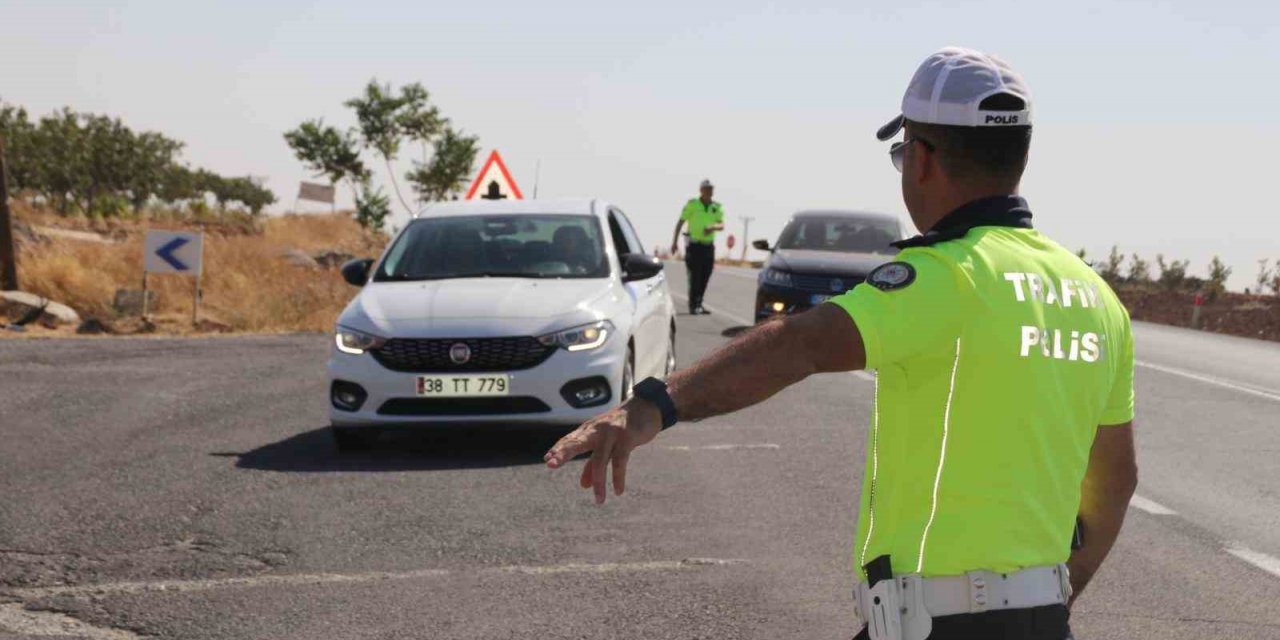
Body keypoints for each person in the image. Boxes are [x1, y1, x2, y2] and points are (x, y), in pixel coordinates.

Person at [546, 47, 1137, 640]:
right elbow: (1115, 483)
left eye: (903, 152)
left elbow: (797, 345)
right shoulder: (1097, 299)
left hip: (935, 622)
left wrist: (649, 406)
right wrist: (1048, 600)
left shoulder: (945, 275)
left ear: (923, 160)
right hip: (1042, 619)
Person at [671, 179, 725, 314]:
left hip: (708, 246)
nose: (709, 191)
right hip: (694, 246)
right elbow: (680, 222)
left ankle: (699, 303)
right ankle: (694, 305)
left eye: (711, 188)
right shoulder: (692, 204)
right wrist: (674, 242)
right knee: (695, 275)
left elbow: (721, 224)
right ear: (701, 190)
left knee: (706, 274)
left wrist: (712, 227)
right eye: (707, 188)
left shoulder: (716, 207)